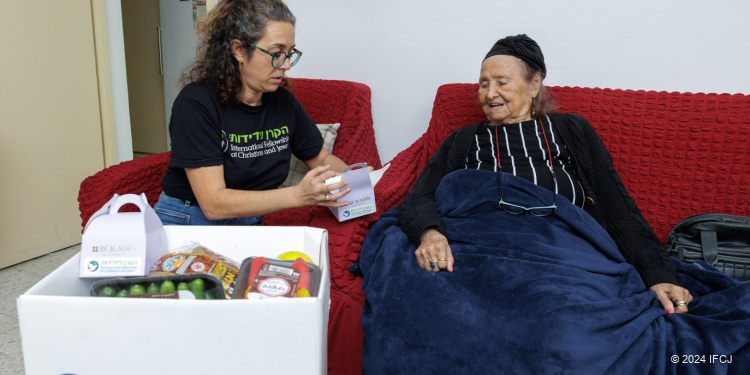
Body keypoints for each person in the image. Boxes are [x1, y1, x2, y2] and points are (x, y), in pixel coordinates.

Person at [399, 34, 693, 314]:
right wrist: (431, 234)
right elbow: (420, 196)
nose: (489, 94)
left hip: (563, 259)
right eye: (483, 84)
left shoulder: (571, 130)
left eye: (502, 82)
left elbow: (617, 208)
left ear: (534, 84)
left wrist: (657, 275)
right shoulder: (462, 140)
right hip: (480, 254)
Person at [154, 0, 352, 226]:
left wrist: (358, 179)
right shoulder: (196, 103)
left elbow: (321, 159)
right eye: (277, 53)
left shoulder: (283, 101)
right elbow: (213, 203)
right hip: (189, 218)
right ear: (238, 50)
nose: (286, 65)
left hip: (248, 222)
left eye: (290, 53)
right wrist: (298, 195)